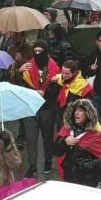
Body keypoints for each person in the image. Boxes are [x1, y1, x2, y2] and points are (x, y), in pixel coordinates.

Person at [53, 99, 101, 188]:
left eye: (80, 110)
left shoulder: (96, 133)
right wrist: (64, 142)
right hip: (69, 178)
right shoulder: (67, 130)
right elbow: (56, 152)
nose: (76, 113)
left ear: (87, 114)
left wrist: (87, 165)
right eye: (75, 110)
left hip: (88, 181)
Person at [20, 40, 60, 176]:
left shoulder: (54, 67)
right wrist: (19, 72)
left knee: (47, 136)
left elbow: (57, 86)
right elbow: (20, 87)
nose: (37, 54)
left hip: (47, 107)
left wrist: (45, 93)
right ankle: (32, 166)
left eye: (40, 51)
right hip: (30, 107)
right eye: (35, 51)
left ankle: (48, 160)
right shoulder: (28, 66)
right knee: (31, 138)